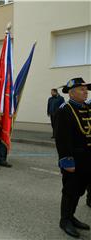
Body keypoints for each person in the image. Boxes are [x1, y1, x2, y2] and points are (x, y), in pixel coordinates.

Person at [55, 77, 91, 238]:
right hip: (74, 159)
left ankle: (72, 216)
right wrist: (66, 160)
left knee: (79, 190)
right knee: (70, 190)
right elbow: (62, 139)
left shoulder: (86, 108)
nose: (86, 92)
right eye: (82, 89)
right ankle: (65, 220)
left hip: (87, 159)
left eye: (86, 89)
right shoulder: (64, 110)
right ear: (71, 92)